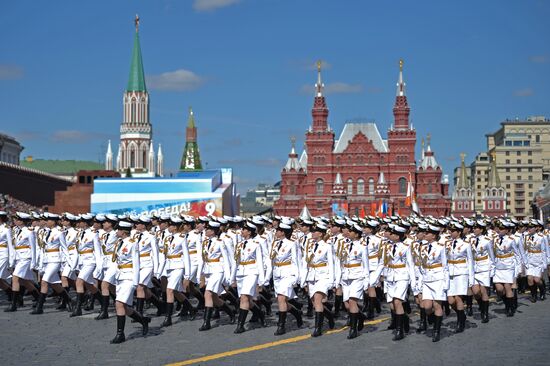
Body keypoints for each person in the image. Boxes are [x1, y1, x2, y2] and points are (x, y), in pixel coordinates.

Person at [371, 224, 416, 341]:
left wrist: (413, 281)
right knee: (392, 305)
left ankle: (399, 330)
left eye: (394, 234)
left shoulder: (406, 247)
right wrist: (374, 278)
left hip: (402, 276)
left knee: (397, 302)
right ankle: (404, 319)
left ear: (399, 236)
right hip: (389, 276)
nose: (391, 235)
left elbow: (410, 265)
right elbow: (381, 263)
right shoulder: (386, 247)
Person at [110, 221, 151, 344]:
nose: (116, 232)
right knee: (125, 307)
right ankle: (143, 320)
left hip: (129, 277)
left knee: (118, 304)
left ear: (123, 231)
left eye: (118, 230)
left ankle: (120, 334)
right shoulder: (118, 243)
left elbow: (136, 264)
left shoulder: (133, 244)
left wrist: (135, 281)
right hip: (120, 276)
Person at [265, 222, 302, 335]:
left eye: (278, 230)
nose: (275, 232)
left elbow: (297, 261)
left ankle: (281, 326)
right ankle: (297, 313)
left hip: (287, 273)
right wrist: (267, 276)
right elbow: (270, 260)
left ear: (283, 232)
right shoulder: (274, 244)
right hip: (277, 274)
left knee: (281, 299)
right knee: (283, 300)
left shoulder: (292, 244)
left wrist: (297, 277)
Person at [31, 213, 72, 314]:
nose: (46, 222)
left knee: (44, 282)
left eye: (48, 220)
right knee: (55, 284)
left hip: (55, 260)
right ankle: (68, 300)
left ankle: (39, 307)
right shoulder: (45, 232)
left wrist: (69, 262)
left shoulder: (59, 232)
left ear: (53, 222)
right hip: (46, 260)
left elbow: (64, 248)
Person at [197, 221, 235, 331]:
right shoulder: (204, 243)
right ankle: (230, 312)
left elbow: (227, 260)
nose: (206, 231)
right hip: (208, 271)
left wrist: (229, 277)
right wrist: (200, 274)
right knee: (214, 297)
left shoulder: (220, 242)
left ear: (213, 231)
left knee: (207, 294)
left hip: (218, 270)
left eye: (208, 229)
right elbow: (202, 259)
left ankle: (206, 322)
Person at [301, 222, 335, 337]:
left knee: (317, 299)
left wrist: (331, 280)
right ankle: (329, 316)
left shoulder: (327, 247)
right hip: (311, 276)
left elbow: (331, 264)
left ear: (320, 234)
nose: (312, 233)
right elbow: (305, 263)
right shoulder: (309, 246)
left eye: (315, 231)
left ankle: (318, 328)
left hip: (323, 276)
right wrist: (303, 279)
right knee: (315, 303)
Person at [335, 223, 368, 339]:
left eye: (352, 231)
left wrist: (366, 282)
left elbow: (366, 265)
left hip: (357, 277)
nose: (349, 233)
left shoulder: (362, 247)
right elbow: (341, 263)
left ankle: (353, 329)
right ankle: (360, 316)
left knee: (353, 302)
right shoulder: (344, 245)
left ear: (357, 234)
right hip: (346, 276)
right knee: (347, 305)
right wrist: (337, 279)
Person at [158, 216, 193, 327]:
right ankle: (190, 307)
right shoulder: (167, 238)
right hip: (168, 266)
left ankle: (168, 318)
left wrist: (187, 273)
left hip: (178, 266)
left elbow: (186, 256)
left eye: (171, 225)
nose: (169, 227)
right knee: (175, 291)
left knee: (169, 290)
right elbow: (165, 255)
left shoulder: (182, 238)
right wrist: (159, 271)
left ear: (175, 227)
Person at [5, 212, 40, 312]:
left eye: (17, 219)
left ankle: (14, 304)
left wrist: (34, 262)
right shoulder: (15, 230)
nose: (15, 221)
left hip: (26, 258)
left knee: (15, 278)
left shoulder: (29, 232)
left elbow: (33, 247)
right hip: (18, 258)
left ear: (21, 221)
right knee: (23, 281)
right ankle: (38, 297)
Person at [446, 221, 474, 333]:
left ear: (458, 232)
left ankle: (460, 322)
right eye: (450, 230)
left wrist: (471, 279)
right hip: (450, 273)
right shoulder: (447, 244)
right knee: (450, 300)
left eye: (453, 231)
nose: (450, 232)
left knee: (458, 298)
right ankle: (461, 315)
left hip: (462, 272)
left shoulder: (466, 244)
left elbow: (471, 261)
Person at [493, 220, 524, 316]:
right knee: (499, 289)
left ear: (506, 230)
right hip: (498, 266)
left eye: (502, 229)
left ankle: (510, 308)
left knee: (507, 287)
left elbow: (517, 254)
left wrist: (519, 269)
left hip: (508, 266)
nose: (499, 230)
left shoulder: (511, 240)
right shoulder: (495, 239)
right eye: (499, 228)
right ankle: (507, 303)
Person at [96, 214, 119, 320]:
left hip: (114, 262)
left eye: (105, 222)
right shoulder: (104, 234)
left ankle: (104, 311)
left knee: (104, 285)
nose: (103, 223)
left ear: (111, 224)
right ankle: (122, 302)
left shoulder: (116, 234)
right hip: (106, 262)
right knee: (111, 287)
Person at [525, 220, 548, 302]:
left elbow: (545, 250)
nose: (529, 229)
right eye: (529, 227)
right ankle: (534, 295)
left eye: (531, 227)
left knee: (537, 280)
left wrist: (545, 262)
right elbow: (525, 250)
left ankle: (542, 291)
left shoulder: (542, 237)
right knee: (530, 279)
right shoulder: (526, 237)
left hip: (539, 260)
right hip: (530, 260)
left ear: (536, 228)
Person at [0, 211, 14, 300]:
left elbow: (10, 245)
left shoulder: (6, 229)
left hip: (2, 254)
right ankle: (12, 295)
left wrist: (11, 261)